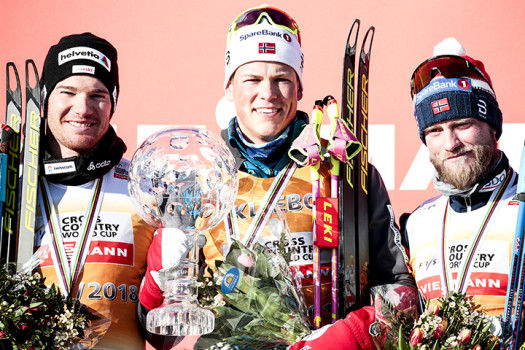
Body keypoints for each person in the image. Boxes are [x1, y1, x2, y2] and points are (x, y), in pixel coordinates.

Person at [138, 5, 417, 349]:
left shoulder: (346, 171)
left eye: (282, 79)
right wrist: (158, 280)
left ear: (299, 88)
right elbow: (159, 337)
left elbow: (400, 286)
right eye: (252, 79)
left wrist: (352, 335)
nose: (268, 93)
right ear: (229, 87)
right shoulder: (199, 183)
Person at [34, 32, 155, 349]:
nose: (82, 108)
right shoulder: (15, 187)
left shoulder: (144, 186)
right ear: (45, 98)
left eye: (98, 95)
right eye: (68, 92)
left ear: (112, 103)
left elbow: (166, 336)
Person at [402, 38, 518, 318]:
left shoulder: (521, 205)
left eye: (462, 124)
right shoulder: (416, 224)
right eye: (435, 131)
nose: (450, 143)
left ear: (492, 127)